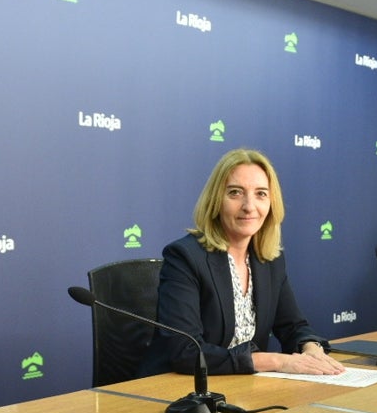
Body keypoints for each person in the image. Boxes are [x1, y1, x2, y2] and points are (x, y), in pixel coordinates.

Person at [138, 148, 345, 377]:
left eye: (261, 194)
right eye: (235, 193)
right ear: (216, 200)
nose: (249, 206)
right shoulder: (185, 257)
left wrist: (310, 347)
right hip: (179, 391)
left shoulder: (269, 260)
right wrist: (275, 360)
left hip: (241, 388)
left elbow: (293, 326)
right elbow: (186, 352)